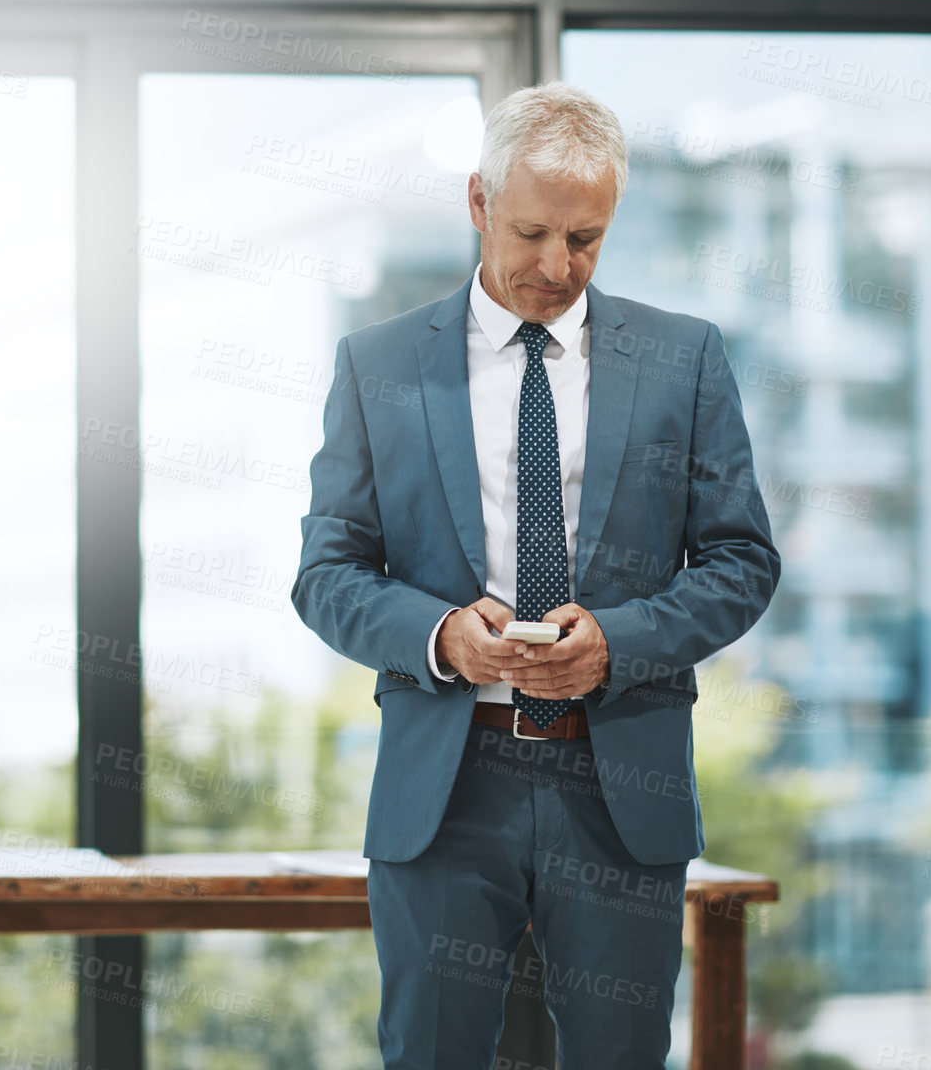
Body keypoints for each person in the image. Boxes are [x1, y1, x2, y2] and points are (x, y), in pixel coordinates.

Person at [290, 80, 780, 1068]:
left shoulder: (685, 360)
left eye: (586, 238)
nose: (558, 267)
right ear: (477, 202)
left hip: (617, 784)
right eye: (531, 233)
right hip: (445, 785)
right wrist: (439, 635)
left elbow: (741, 561)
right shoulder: (377, 364)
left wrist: (618, 643)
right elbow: (327, 574)